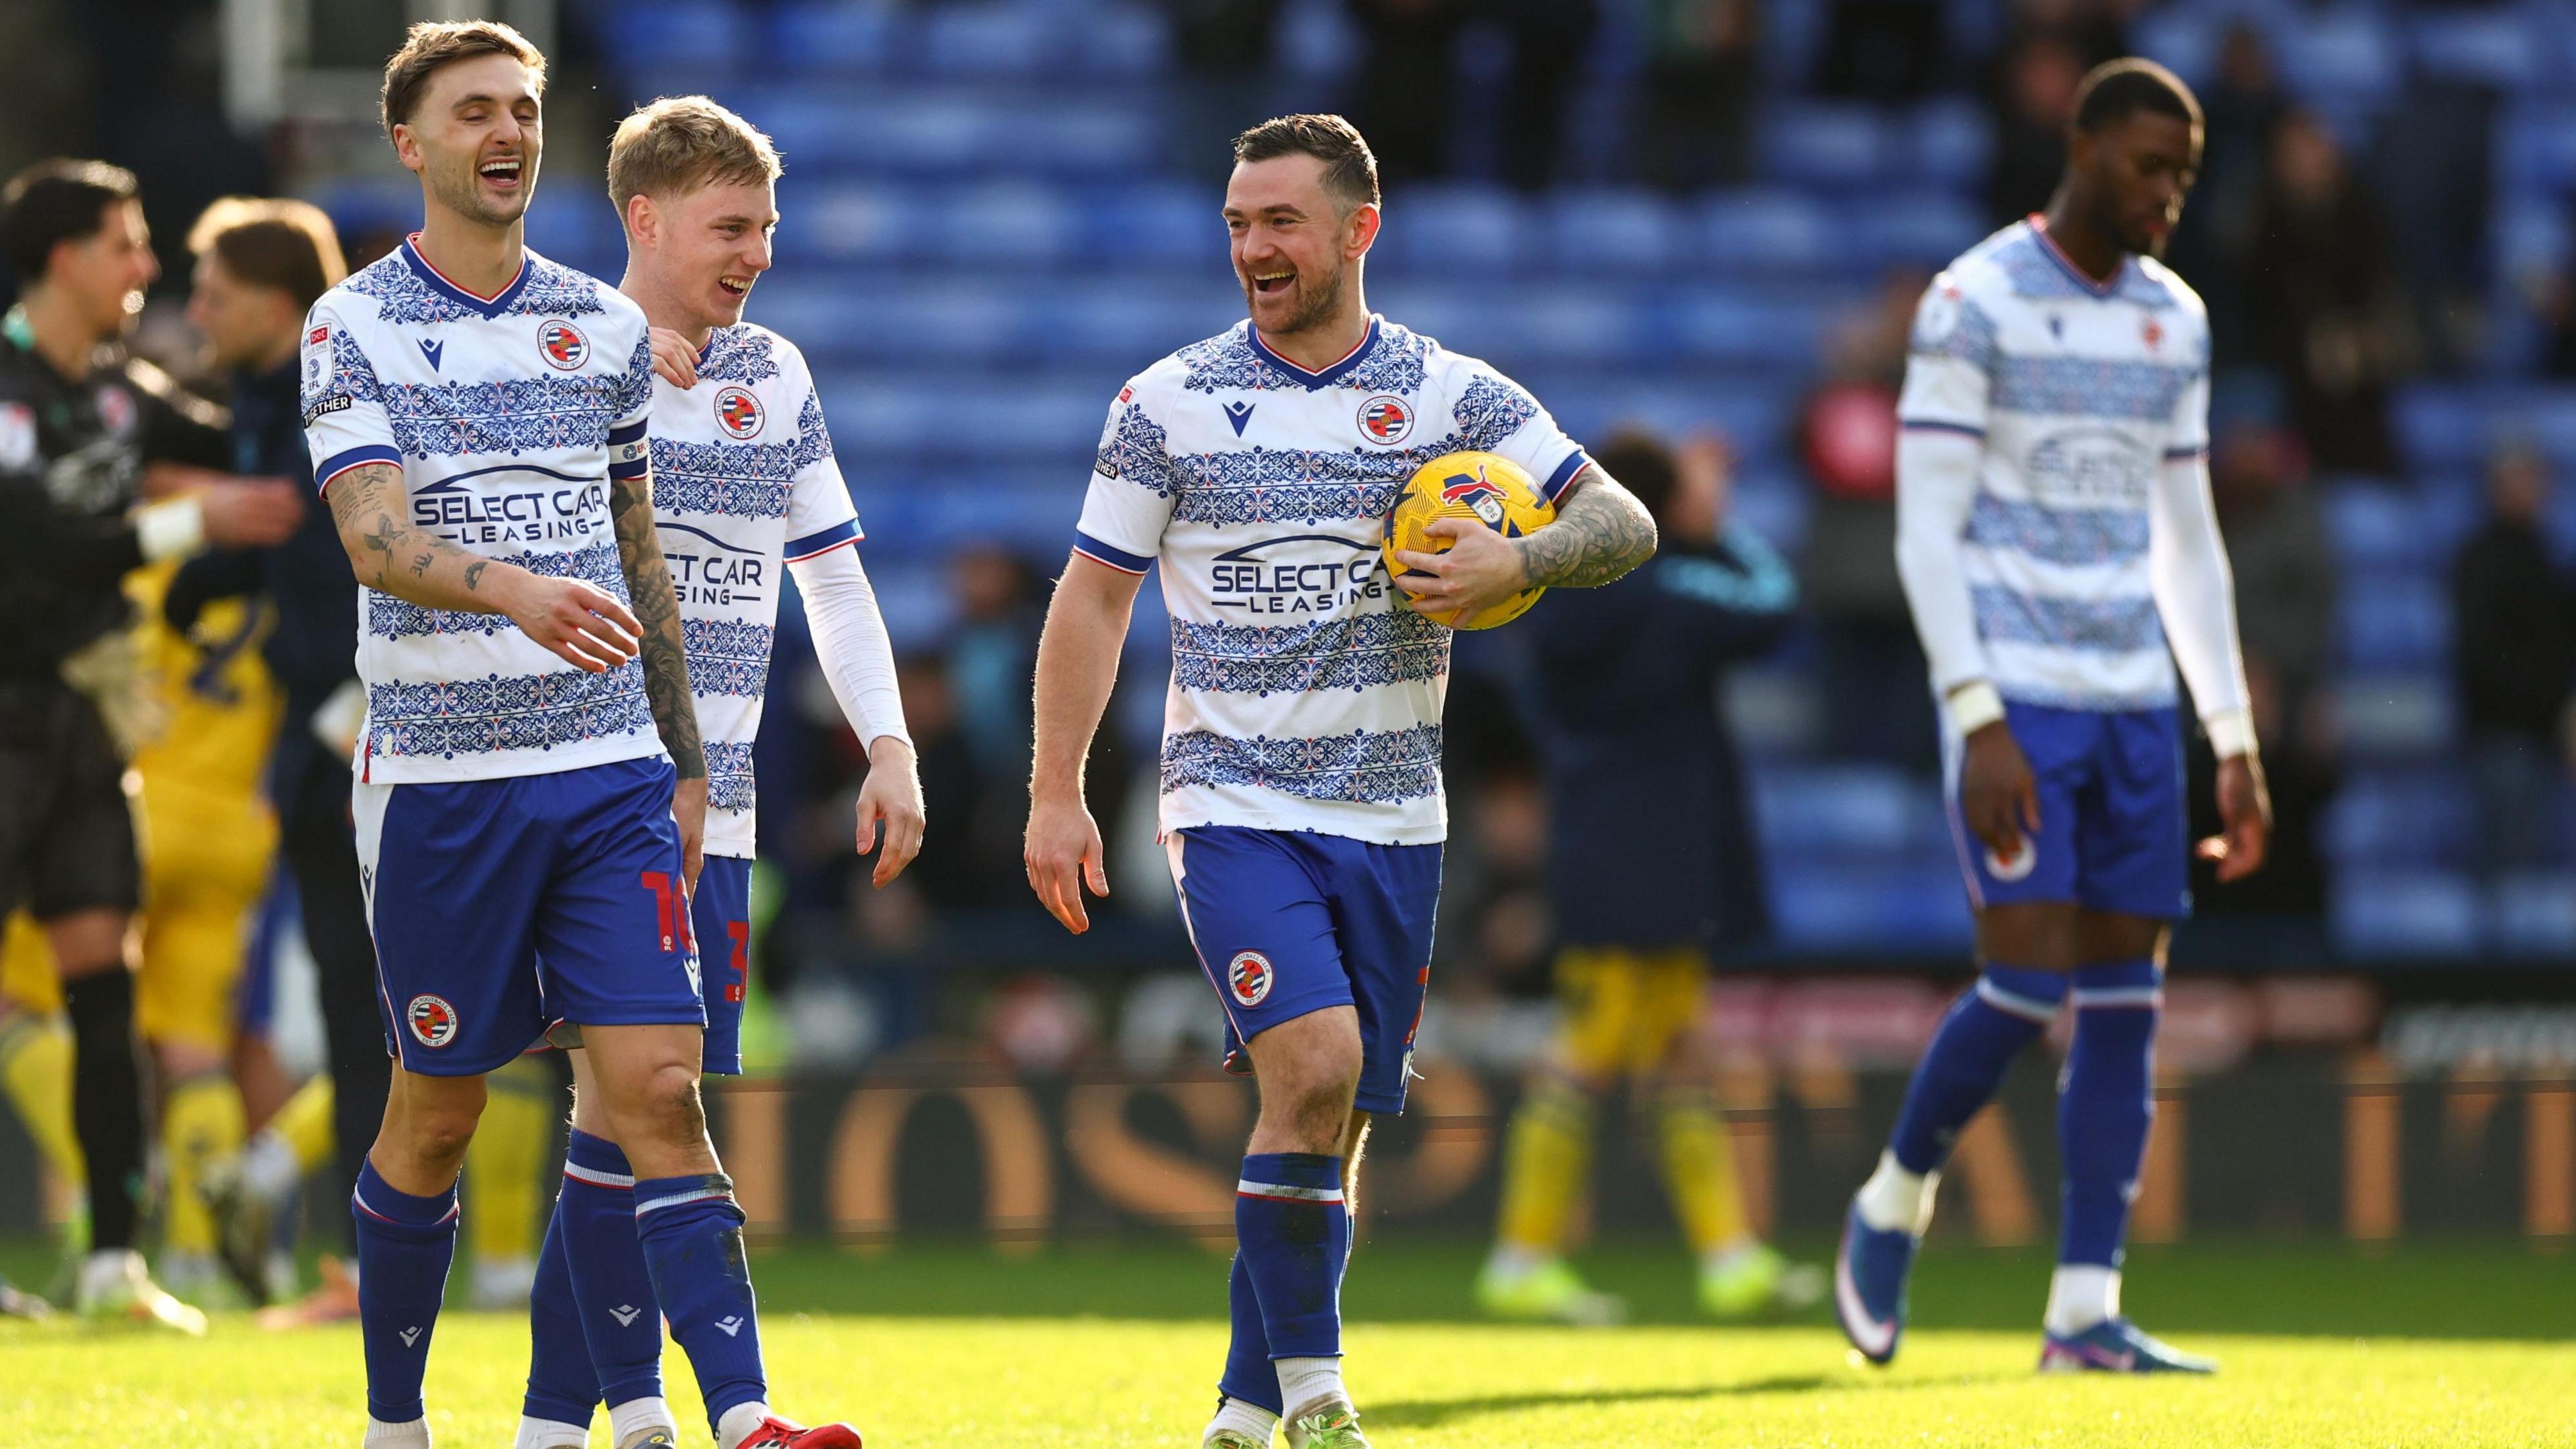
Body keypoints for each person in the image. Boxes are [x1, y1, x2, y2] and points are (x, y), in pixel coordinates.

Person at [1024, 113, 1657, 1449]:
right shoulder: (1166, 403)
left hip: (1395, 816)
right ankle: (1320, 1398)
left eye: (1281, 223)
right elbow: (1092, 598)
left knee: (1335, 1122)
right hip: (1232, 803)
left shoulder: (1450, 397)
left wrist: (1520, 562)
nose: (1253, 248)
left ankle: (1245, 1413)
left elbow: (1625, 520)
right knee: (1315, 1066)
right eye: (1237, 225)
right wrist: (1055, 789)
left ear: (1360, 230)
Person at [300, 23, 854, 1447]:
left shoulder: (600, 328)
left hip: (608, 775)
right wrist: (517, 591)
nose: (507, 132)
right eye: (473, 111)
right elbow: (373, 539)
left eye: (524, 109)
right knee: (437, 1116)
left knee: (660, 1088)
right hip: (444, 783)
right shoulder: (351, 324)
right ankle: (396, 1423)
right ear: (410, 143)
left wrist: (686, 763)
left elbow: (638, 554)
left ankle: (744, 1418)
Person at [1836, 58, 2270, 1376]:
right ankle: (1894, 1196)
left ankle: (2085, 1309)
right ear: (2081, 150)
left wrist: (2231, 730)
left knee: (2128, 998)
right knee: (2025, 984)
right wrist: (1975, 712)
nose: (2168, 195)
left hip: (2136, 700)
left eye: (2184, 175)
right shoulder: (1974, 303)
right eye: (2148, 166)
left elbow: (2187, 537)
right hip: (2017, 692)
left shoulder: (2175, 321)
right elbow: (1925, 529)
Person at [511, 93, 924, 1449]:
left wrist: (888, 744)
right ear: (645, 218)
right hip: (592, 796)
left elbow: (835, 580)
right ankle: (732, 1413)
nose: (757, 253)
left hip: (722, 808)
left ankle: (571, 1423)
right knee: (647, 1094)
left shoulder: (776, 377)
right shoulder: (555, 349)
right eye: (731, 227)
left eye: (767, 228)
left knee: (618, 1116)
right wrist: (615, 383)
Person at [0, 156, 301, 1329]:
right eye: (124, 243)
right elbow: (30, 542)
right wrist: (189, 523)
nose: (144, 265)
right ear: (65, 258)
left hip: (84, 731)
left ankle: (114, 1266)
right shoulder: (7, 387)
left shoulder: (122, 393)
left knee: (102, 992)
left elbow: (246, 444)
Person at [1476, 428, 1817, 1325]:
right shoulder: (1671, 594)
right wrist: (1712, 529)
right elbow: (1776, 606)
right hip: (1667, 849)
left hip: (1592, 842)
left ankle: (1728, 1257)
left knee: (1676, 1049)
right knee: (1594, 1049)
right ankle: (1520, 1257)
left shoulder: (1547, 603)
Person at [2452, 446, 2576, 882]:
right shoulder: (2481, 560)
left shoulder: (2545, 554)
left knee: (2536, 872)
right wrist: (2553, 704)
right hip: (2503, 737)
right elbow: (2483, 658)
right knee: (2509, 870)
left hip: (2545, 737)